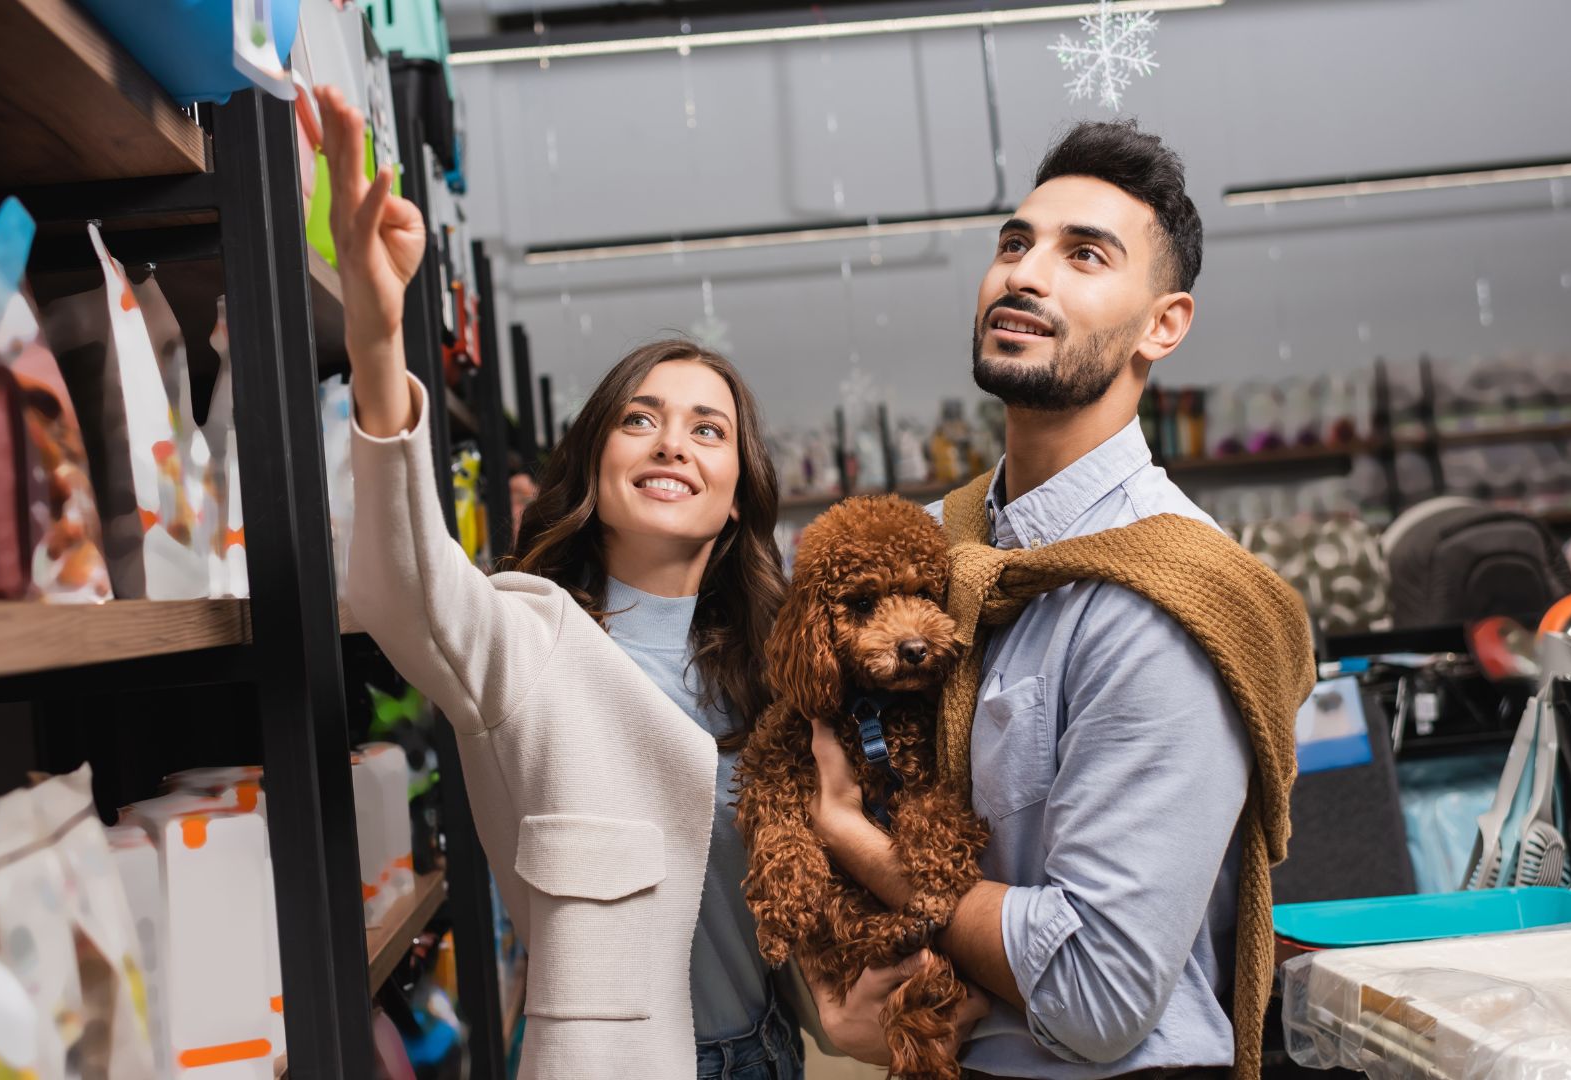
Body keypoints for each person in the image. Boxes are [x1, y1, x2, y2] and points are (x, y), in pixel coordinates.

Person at [316, 85, 819, 1078]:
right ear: (595, 463)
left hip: (769, 1049)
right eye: (639, 418)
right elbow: (403, 584)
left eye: (707, 428)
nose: (672, 439)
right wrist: (377, 341)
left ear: (735, 496)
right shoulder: (527, 643)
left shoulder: (778, 666)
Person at [806, 120, 1305, 1080]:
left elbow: (1095, 993)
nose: (1025, 275)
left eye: (1085, 256)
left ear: (1164, 324)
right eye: (1014, 243)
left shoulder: (1163, 599)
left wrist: (857, 843)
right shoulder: (931, 551)